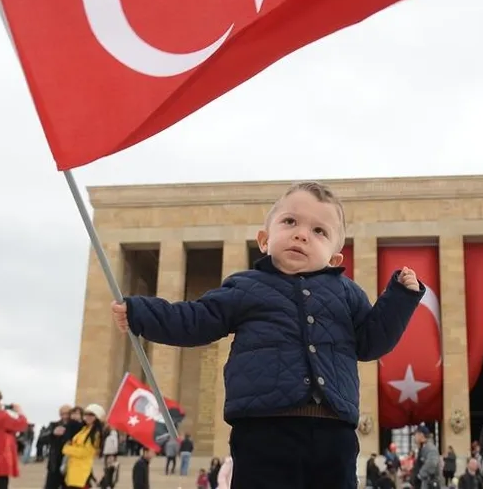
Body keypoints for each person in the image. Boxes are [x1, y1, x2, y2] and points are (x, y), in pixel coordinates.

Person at [111, 181, 425, 489]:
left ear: (334, 259)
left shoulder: (346, 293)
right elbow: (197, 319)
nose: (302, 234)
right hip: (264, 429)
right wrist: (140, 313)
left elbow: (371, 342)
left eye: (319, 231)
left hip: (334, 432)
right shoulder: (246, 286)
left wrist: (399, 298)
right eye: (290, 222)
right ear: (264, 239)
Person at [62, 403, 104, 489]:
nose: (87, 416)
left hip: (82, 472)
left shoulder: (95, 433)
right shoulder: (84, 429)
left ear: (97, 417)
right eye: (86, 414)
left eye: (91, 414)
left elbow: (85, 452)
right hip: (73, 471)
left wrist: (67, 449)